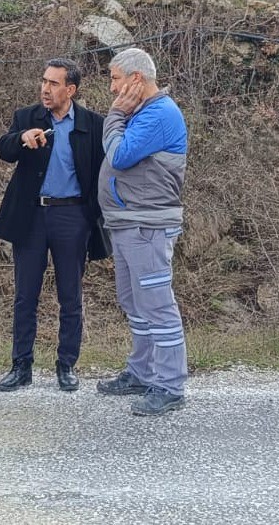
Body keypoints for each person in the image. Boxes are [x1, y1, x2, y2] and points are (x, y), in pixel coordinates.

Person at [0, 58, 109, 393]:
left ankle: (66, 365)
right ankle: (21, 366)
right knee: (25, 295)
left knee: (70, 295)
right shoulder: (27, 117)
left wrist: (96, 218)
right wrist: (20, 139)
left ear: (70, 90)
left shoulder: (92, 124)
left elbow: (103, 172)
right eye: (44, 81)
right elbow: (4, 149)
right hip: (31, 216)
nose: (45, 89)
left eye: (54, 83)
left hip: (72, 216)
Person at [95, 48, 189, 416]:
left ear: (136, 79)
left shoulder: (159, 114)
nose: (112, 87)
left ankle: (169, 385)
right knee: (134, 301)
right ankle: (142, 371)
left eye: (115, 78)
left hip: (147, 225)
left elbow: (120, 156)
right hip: (127, 223)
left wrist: (115, 115)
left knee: (157, 304)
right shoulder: (142, 114)